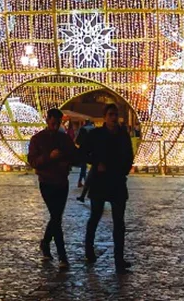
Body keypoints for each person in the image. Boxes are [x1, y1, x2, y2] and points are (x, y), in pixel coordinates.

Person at [82, 103, 134, 273]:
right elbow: (83, 153)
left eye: (115, 114)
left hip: (117, 182)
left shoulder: (123, 135)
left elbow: (129, 155)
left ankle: (119, 260)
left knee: (119, 223)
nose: (113, 117)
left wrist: (123, 171)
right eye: (110, 114)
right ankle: (89, 251)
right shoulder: (96, 134)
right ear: (105, 117)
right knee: (95, 216)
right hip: (100, 181)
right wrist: (96, 164)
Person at [27, 108, 77, 270]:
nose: (55, 125)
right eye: (53, 122)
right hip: (47, 182)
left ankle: (46, 243)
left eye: (58, 122)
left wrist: (67, 162)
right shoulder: (38, 139)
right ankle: (62, 256)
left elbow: (74, 156)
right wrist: (49, 157)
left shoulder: (64, 139)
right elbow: (33, 161)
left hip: (62, 182)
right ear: (47, 120)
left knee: (56, 217)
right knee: (56, 217)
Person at [76, 120, 95, 190]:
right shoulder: (94, 129)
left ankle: (82, 181)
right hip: (92, 150)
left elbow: (77, 141)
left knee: (83, 167)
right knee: (93, 166)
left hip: (83, 149)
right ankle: (87, 181)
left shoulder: (83, 129)